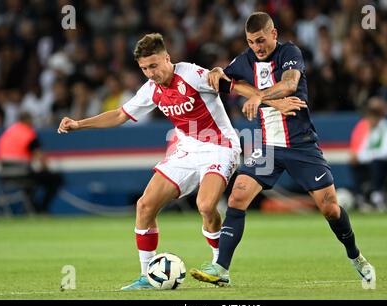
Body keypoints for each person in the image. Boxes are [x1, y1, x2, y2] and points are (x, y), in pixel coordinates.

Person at [57, 33, 305, 290]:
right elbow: (120, 114)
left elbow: (232, 86)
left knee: (206, 205)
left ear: (167, 58)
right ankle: (147, 276)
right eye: (144, 69)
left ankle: (219, 267)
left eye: (154, 66)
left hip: (220, 147)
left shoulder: (191, 74)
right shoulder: (151, 89)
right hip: (187, 149)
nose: (150, 73)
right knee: (144, 206)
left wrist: (273, 101)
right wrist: (79, 124)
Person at [190, 12, 376, 289]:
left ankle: (356, 257)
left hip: (301, 145)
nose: (257, 47)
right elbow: (220, 77)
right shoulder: (245, 61)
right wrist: (217, 72)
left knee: (330, 209)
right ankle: (221, 268)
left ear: (273, 34)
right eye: (251, 42)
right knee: (238, 196)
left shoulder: (290, 52)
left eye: (261, 40)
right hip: (268, 148)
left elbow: (290, 84)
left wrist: (258, 96)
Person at [0, 111, 63, 213]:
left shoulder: (7, 133)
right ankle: (41, 209)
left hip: (4, 175)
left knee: (32, 184)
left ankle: (31, 208)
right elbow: (39, 156)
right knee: (56, 179)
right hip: (23, 173)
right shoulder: (28, 133)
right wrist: (47, 169)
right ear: (28, 121)